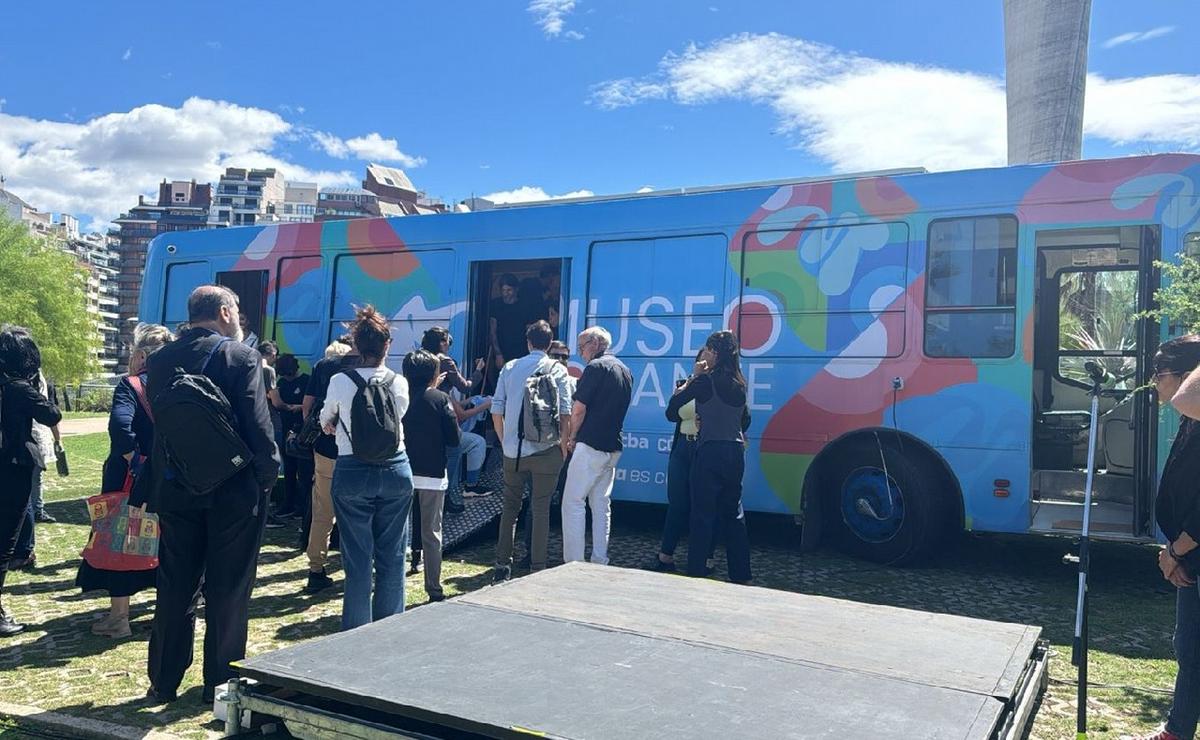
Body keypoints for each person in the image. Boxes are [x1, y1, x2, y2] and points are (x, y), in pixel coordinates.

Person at [143, 285, 280, 704]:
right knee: (229, 590)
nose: (239, 317)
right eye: (237, 309)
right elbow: (258, 427)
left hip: (177, 487)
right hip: (233, 492)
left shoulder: (160, 360)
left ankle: (163, 680)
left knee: (175, 586)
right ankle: (219, 684)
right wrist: (268, 475)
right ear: (224, 312)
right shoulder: (241, 357)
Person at [76, 323, 173, 639]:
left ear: (141, 354)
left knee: (121, 538)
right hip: (172, 476)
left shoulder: (131, 386)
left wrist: (135, 461)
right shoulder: (179, 384)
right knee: (169, 543)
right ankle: (167, 612)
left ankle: (119, 618)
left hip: (131, 477)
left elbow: (120, 426)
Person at [320, 306, 413, 630]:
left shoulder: (339, 380)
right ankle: (388, 631)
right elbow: (398, 418)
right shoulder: (398, 382)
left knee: (358, 559)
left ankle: (356, 632)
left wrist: (332, 424)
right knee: (393, 555)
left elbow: (325, 418)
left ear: (356, 346)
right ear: (388, 345)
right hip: (395, 470)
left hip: (352, 470)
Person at [1137, 335, 1200, 740]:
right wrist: (1174, 550)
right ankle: (1177, 730)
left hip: (1189, 548)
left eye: (1160, 374)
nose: (1154, 383)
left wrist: (1176, 550)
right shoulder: (1191, 424)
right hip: (1189, 553)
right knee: (1189, 645)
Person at [644, 349, 748, 574]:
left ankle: (705, 559)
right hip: (684, 446)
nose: (704, 361)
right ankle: (666, 555)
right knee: (678, 502)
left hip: (706, 448)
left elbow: (741, 419)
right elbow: (672, 414)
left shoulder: (723, 386)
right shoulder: (691, 384)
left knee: (707, 505)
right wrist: (689, 383)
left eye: (709, 356)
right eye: (700, 358)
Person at [491, 320, 572, 582]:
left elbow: (496, 409)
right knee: (541, 510)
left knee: (510, 509)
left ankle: (503, 564)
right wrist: (563, 443)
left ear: (528, 342)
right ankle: (537, 567)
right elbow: (565, 411)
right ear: (550, 344)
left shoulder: (511, 367)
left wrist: (506, 442)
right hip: (547, 450)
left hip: (513, 452)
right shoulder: (556, 368)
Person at [671, 330, 752, 584]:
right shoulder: (740, 382)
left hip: (709, 450)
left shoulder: (705, 381)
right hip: (735, 451)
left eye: (706, 349)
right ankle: (742, 576)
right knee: (734, 514)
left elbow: (672, 412)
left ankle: (696, 573)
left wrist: (695, 377)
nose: (703, 353)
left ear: (714, 353)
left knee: (702, 515)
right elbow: (745, 420)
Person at [0, 326, 62, 636]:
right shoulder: (18, 388)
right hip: (11, 468)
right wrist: (35, 386)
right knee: (4, 542)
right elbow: (51, 414)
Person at [560, 327, 632, 566]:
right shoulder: (624, 370)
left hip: (590, 443)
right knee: (601, 504)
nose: (581, 354)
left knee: (573, 501)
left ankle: (573, 561)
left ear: (595, 343)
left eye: (582, 347)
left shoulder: (594, 368)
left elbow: (579, 409)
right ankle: (600, 558)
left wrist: (571, 437)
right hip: (613, 446)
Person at [401, 350, 460, 602]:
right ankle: (434, 589)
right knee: (431, 533)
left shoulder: (397, 396)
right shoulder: (440, 398)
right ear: (434, 374)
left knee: (395, 532)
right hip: (433, 474)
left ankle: (389, 585)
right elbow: (454, 439)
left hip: (399, 470)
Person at [301, 337, 357, 594]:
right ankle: (356, 568)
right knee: (357, 513)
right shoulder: (370, 367)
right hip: (357, 450)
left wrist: (314, 432)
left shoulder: (323, 366)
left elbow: (308, 404)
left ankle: (316, 569)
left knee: (322, 511)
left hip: (325, 447)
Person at [9, 372, 57, 572]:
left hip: (26, 445)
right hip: (18, 446)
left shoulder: (22, 384)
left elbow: (51, 413)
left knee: (25, 496)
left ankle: (24, 550)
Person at [420, 327, 471, 515]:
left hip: (420, 411)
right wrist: (478, 374)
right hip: (441, 410)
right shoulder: (445, 361)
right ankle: (445, 496)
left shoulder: (418, 358)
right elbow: (464, 387)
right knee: (454, 449)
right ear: (442, 342)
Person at [275, 353, 311, 524]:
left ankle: (302, 507)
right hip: (286, 429)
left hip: (303, 432)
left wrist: (299, 407)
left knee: (304, 472)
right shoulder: (282, 383)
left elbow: (310, 403)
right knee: (288, 469)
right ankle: (288, 503)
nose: (286, 378)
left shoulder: (306, 381)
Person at [490, 274, 532, 362]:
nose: (505, 294)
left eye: (509, 290)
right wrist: (498, 354)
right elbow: (492, 331)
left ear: (516, 289)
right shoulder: (495, 305)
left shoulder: (525, 306)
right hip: (502, 353)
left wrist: (531, 353)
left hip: (522, 352)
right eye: (503, 290)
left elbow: (529, 331)